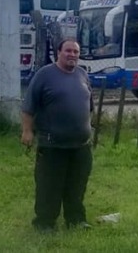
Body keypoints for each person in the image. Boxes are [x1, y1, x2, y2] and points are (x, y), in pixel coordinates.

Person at [21, 39, 94, 232]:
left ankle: (76, 220)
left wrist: (87, 128)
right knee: (49, 186)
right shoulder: (45, 75)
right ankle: (45, 223)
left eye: (76, 52)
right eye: (68, 51)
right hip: (53, 145)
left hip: (81, 145)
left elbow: (88, 106)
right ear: (58, 52)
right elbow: (28, 107)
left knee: (77, 186)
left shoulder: (82, 74)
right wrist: (27, 131)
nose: (72, 55)